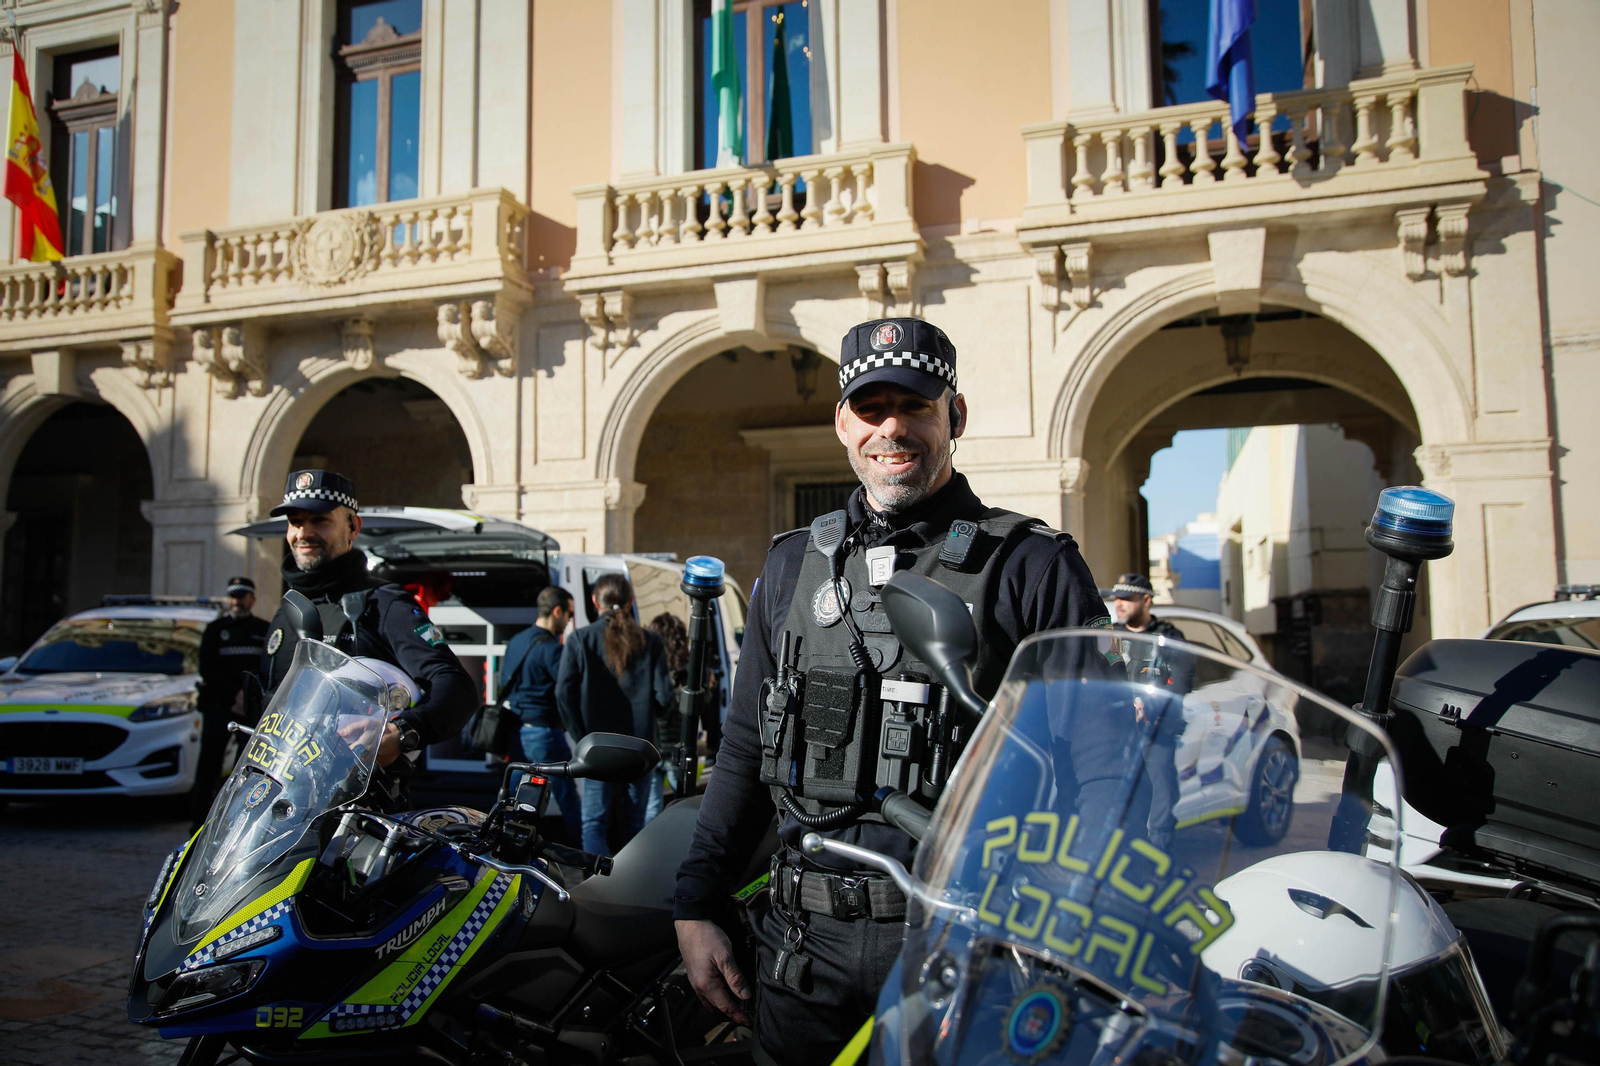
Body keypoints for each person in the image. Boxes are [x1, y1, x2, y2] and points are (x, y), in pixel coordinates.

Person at [672, 317, 1109, 1066]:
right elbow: (746, 746)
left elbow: (1103, 767)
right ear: (843, 422)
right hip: (803, 948)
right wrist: (697, 902)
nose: (893, 429)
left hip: (964, 941)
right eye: (872, 409)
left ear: (955, 417)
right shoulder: (791, 567)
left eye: (917, 406)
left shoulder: (1032, 567)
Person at [259, 470, 478, 801]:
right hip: (279, 801)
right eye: (296, 521)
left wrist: (402, 732)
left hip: (355, 813)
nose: (304, 532)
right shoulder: (286, 610)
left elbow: (456, 687)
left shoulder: (383, 604)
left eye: (320, 520)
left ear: (353, 528)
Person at [554, 573, 673, 857]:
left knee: (594, 823)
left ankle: (596, 887)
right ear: (631, 601)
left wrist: (580, 735)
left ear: (595, 601)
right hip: (639, 748)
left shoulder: (580, 639)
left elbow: (562, 692)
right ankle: (626, 886)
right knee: (634, 823)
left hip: (597, 748)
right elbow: (664, 697)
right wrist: (651, 718)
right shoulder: (651, 640)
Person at [1110, 572, 1195, 850]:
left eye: (1127, 598)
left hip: (1157, 729)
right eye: (1117, 598)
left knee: (1160, 797)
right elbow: (1102, 678)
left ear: (1146, 600)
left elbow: (1182, 682)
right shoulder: (1111, 636)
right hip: (1118, 730)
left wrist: (1149, 705)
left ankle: (1157, 863)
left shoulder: (1169, 637)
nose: (1119, 603)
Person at [501, 586, 582, 843]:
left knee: (512, 800)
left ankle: (503, 849)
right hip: (544, 733)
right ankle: (578, 858)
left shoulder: (516, 642)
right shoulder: (553, 650)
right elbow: (568, 691)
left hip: (516, 731)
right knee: (567, 797)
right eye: (568, 614)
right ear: (557, 611)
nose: (569, 620)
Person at [189, 576, 269, 831]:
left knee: (248, 768)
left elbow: (267, 668)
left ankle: (238, 825)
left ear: (252, 599)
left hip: (250, 709)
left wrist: (247, 696)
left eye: (242, 596)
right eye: (233, 596)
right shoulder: (215, 630)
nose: (237, 601)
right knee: (208, 767)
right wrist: (233, 694)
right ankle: (199, 826)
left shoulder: (262, 629)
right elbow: (207, 668)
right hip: (220, 706)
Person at [644, 612, 690, 822]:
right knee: (682, 804)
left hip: (652, 745)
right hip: (676, 747)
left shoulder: (648, 665)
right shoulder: (687, 669)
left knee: (651, 808)